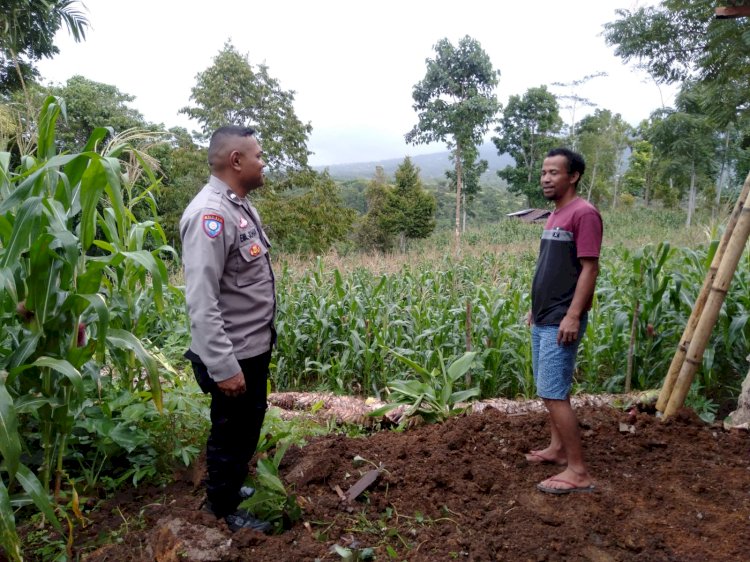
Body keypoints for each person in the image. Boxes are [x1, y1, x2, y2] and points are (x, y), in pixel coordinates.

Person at [180, 126, 275, 532]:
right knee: (231, 432)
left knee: (247, 424)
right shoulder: (211, 216)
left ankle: (231, 487)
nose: (263, 162)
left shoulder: (237, 205)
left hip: (250, 347)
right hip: (232, 354)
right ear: (236, 161)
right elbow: (201, 302)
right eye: (258, 155)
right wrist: (223, 366)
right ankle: (220, 510)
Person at [525, 147, 602, 495]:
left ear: (573, 176)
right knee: (549, 390)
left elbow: (589, 268)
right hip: (545, 315)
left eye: (554, 172)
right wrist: (535, 307)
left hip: (561, 318)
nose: (546, 178)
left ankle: (578, 471)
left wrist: (573, 314)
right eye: (544, 172)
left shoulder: (584, 214)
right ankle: (557, 451)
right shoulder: (556, 215)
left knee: (553, 393)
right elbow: (553, 269)